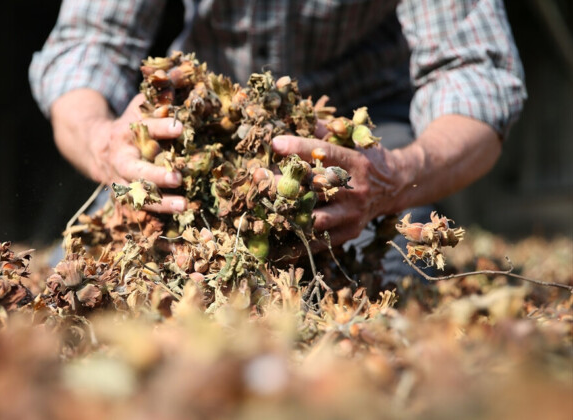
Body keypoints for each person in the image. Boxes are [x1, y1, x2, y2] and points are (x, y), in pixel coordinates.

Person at [29, 0, 525, 256]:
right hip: (205, 132)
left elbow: (474, 71)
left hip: (365, 133)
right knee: (89, 276)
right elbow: (88, 45)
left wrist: (396, 175)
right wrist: (102, 141)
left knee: (381, 288)